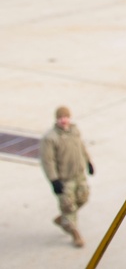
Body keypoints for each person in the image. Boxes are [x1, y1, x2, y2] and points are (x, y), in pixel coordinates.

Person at [40, 106, 94, 248]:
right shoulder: (50, 138)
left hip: (79, 175)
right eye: (60, 118)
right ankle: (75, 234)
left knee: (83, 198)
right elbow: (48, 161)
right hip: (65, 179)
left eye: (66, 117)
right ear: (56, 119)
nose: (64, 120)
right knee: (69, 206)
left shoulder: (74, 132)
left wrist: (89, 162)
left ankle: (63, 219)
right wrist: (54, 180)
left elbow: (81, 148)